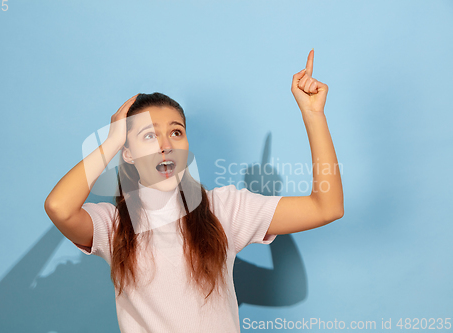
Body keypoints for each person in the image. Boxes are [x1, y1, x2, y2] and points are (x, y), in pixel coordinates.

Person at [44, 49, 344, 333]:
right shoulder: (113, 226)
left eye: (176, 132)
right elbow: (59, 207)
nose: (166, 145)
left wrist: (314, 115)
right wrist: (110, 142)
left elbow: (326, 207)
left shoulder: (224, 208)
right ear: (128, 153)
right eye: (149, 135)